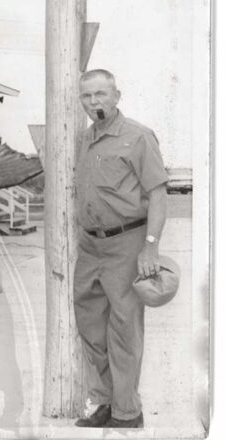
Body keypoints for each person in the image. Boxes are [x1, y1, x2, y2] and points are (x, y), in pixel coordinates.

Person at [72, 69, 169, 429]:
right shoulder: (84, 139)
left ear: (116, 96)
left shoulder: (139, 137)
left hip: (127, 243)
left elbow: (158, 195)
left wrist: (150, 248)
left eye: (100, 94)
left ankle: (127, 412)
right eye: (87, 96)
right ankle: (102, 403)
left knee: (125, 329)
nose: (94, 102)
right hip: (90, 245)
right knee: (90, 326)